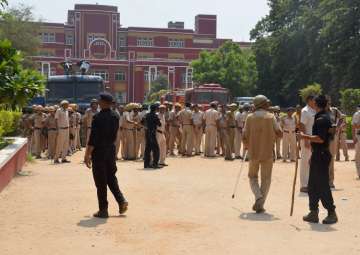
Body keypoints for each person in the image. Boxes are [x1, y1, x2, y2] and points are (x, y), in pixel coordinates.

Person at [84, 93, 128, 218]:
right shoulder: (115, 116)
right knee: (111, 178)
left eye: (99, 100)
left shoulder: (97, 117)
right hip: (110, 150)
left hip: (99, 152)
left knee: (100, 181)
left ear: (103, 102)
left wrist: (87, 154)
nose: (98, 102)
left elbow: (93, 139)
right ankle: (121, 201)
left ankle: (103, 210)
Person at [299, 95, 338, 224]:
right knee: (313, 185)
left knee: (322, 185)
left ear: (316, 104)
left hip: (321, 155)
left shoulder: (322, 119)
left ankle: (331, 212)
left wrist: (304, 136)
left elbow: (320, 139)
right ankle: (313, 212)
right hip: (318, 154)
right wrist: (313, 154)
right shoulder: (322, 117)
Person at [243, 95, 282, 213]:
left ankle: (258, 196)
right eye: (266, 103)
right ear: (263, 104)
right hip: (268, 153)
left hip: (253, 152)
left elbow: (244, 136)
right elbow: (279, 133)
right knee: (266, 179)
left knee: (252, 176)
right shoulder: (271, 117)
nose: (268, 105)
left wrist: (246, 146)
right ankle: (261, 201)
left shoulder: (249, 117)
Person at [299, 95, 316, 193]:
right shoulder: (305, 111)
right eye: (314, 100)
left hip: (314, 139)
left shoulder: (313, 110)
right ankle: (304, 185)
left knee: (312, 162)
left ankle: (310, 183)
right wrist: (305, 140)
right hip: (307, 138)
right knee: (305, 162)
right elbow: (301, 125)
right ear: (309, 100)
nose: (315, 102)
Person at [143, 104, 162, 169]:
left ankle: (146, 164)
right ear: (155, 109)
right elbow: (159, 124)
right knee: (156, 149)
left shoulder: (146, 115)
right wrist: (158, 119)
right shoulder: (155, 115)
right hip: (152, 133)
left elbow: (142, 122)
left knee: (147, 149)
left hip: (147, 133)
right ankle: (155, 164)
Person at [353, 105, 360, 179]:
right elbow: (354, 126)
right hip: (359, 136)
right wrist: (354, 136)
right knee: (358, 155)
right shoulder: (357, 114)